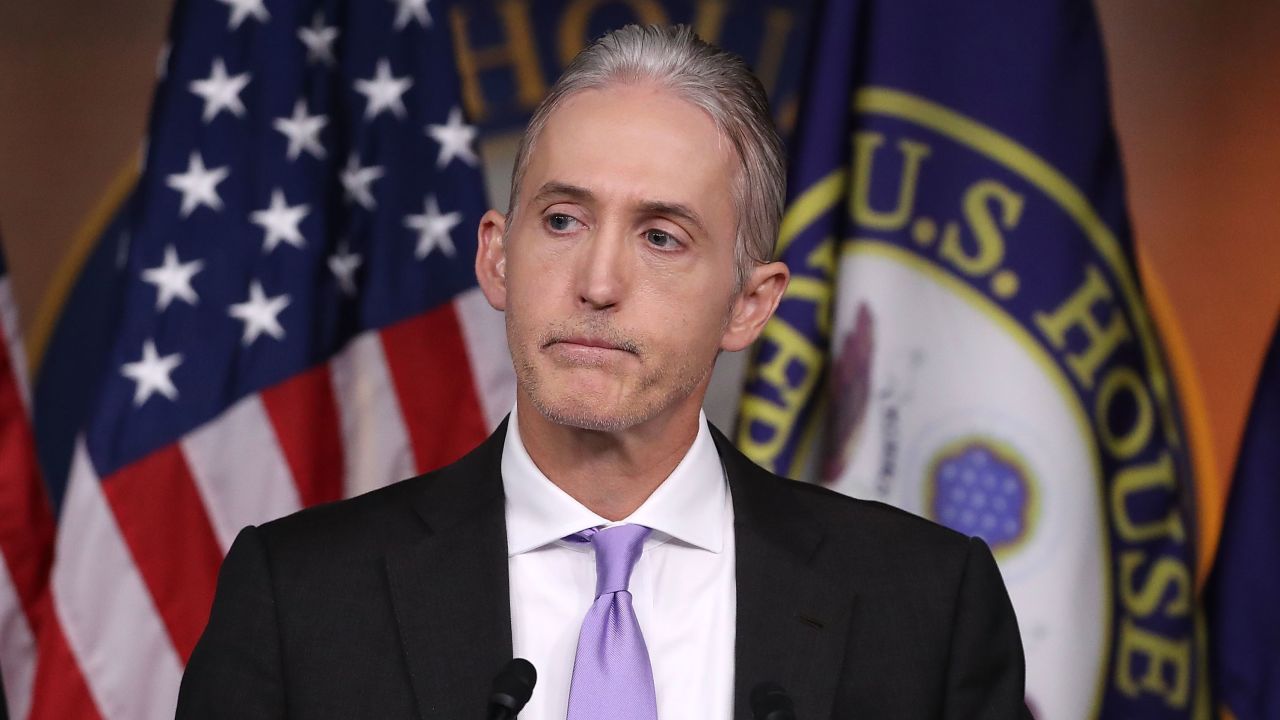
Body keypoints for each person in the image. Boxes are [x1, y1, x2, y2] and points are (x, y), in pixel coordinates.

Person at [177, 25, 1030, 719]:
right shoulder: (300, 600)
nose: (597, 282)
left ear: (750, 304)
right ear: (498, 258)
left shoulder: (925, 606)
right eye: (561, 220)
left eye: (661, 236)